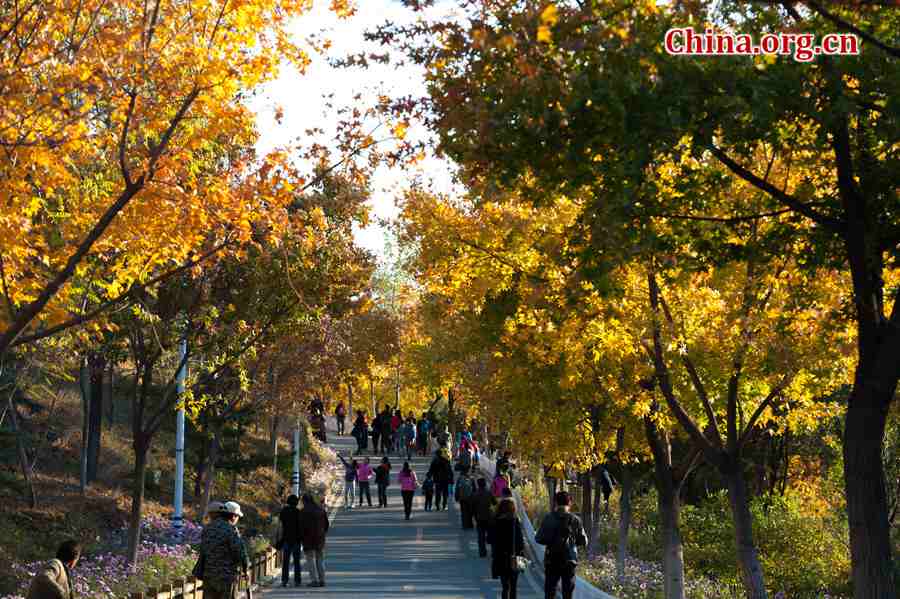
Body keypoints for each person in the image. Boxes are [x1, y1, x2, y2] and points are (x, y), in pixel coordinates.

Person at [535, 491, 588, 599]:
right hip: (569, 560)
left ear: (555, 503)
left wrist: (550, 540)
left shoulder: (548, 518)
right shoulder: (575, 520)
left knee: (550, 592)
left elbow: (538, 538)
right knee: (567, 594)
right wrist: (573, 542)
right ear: (570, 503)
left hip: (552, 559)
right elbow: (584, 541)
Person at [199, 501, 249, 599]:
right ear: (233, 516)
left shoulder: (207, 529)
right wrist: (245, 569)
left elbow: (203, 550)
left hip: (209, 576)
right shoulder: (231, 530)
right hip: (226, 576)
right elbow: (240, 552)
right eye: (237, 517)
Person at [489, 499, 526, 599]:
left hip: (500, 557)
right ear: (513, 509)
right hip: (514, 557)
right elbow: (520, 542)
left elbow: (490, 539)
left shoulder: (496, 521)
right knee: (513, 587)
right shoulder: (515, 521)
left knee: (505, 586)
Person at [298, 494, 330, 588]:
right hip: (320, 539)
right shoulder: (321, 510)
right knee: (320, 559)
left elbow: (301, 527)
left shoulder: (303, 512)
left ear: (304, 501)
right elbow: (326, 525)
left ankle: (314, 580)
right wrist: (322, 534)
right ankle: (322, 580)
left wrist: (301, 538)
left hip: (308, 539)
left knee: (310, 559)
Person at [277, 495, 302, 587]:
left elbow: (280, 526)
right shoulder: (298, 512)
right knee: (296, 561)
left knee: (286, 561)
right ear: (296, 502)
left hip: (286, 539)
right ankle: (297, 580)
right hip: (296, 540)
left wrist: (278, 538)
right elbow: (301, 527)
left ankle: (284, 580)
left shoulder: (284, 511)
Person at [471, 478, 498, 557]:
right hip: (489, 517)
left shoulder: (475, 494)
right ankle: (493, 552)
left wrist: (474, 517)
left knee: (481, 536)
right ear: (485, 484)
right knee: (492, 535)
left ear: (478, 484)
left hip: (479, 518)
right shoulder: (489, 493)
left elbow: (472, 507)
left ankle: (482, 552)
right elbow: (495, 502)